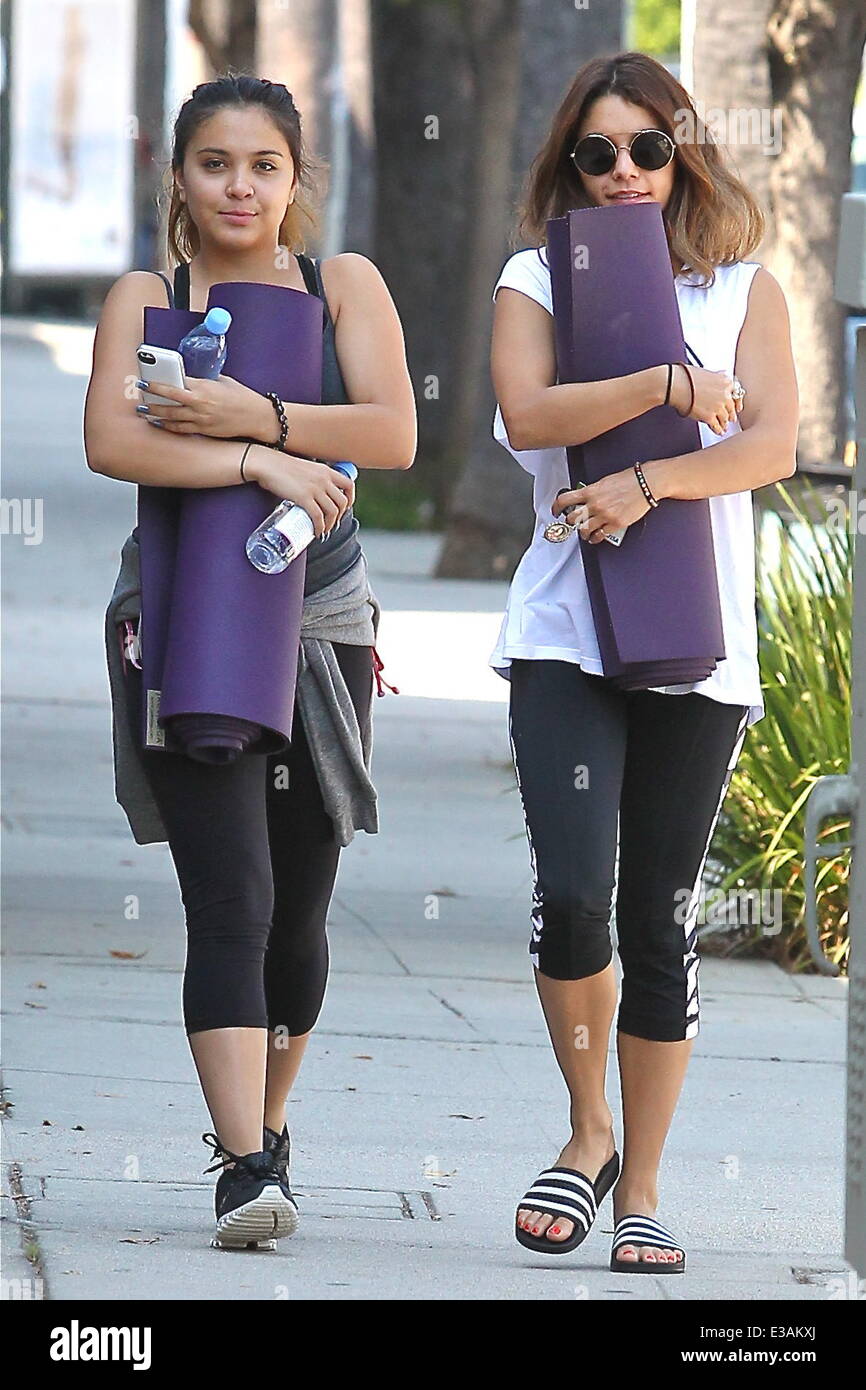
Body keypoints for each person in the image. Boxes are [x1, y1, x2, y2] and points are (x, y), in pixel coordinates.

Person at [84, 73, 416, 1250]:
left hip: (322, 626)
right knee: (232, 898)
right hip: (183, 615)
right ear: (178, 176)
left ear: (293, 180)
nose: (239, 186)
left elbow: (389, 429)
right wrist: (256, 465)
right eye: (214, 163)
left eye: (262, 166)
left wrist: (251, 417)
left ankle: (270, 1132)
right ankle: (237, 1166)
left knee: (300, 917)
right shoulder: (147, 297)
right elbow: (113, 439)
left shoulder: (344, 288)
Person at [489, 51, 798, 1273]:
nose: (624, 173)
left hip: (698, 640)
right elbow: (525, 415)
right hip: (564, 630)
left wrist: (648, 475)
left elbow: (770, 443)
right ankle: (584, 1133)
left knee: (657, 914)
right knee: (572, 893)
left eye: (647, 149)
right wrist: (670, 383)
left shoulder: (743, 288)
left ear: (684, 152)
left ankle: (645, 1187)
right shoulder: (533, 278)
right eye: (596, 153)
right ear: (567, 165)